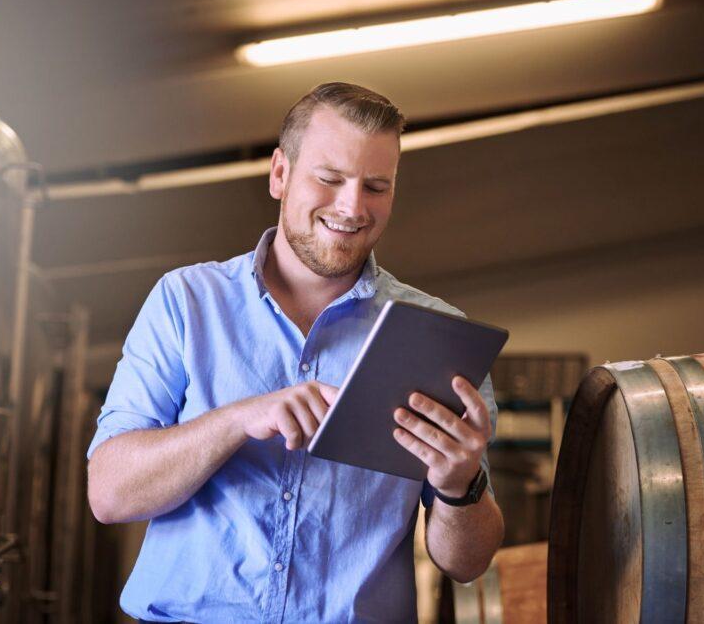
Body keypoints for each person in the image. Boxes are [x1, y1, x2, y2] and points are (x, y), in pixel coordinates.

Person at [87, 82, 504, 623]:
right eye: (330, 179)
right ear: (280, 174)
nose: (352, 207)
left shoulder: (440, 335)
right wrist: (240, 418)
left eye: (376, 186)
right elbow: (110, 493)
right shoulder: (187, 302)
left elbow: (466, 563)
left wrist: (459, 485)